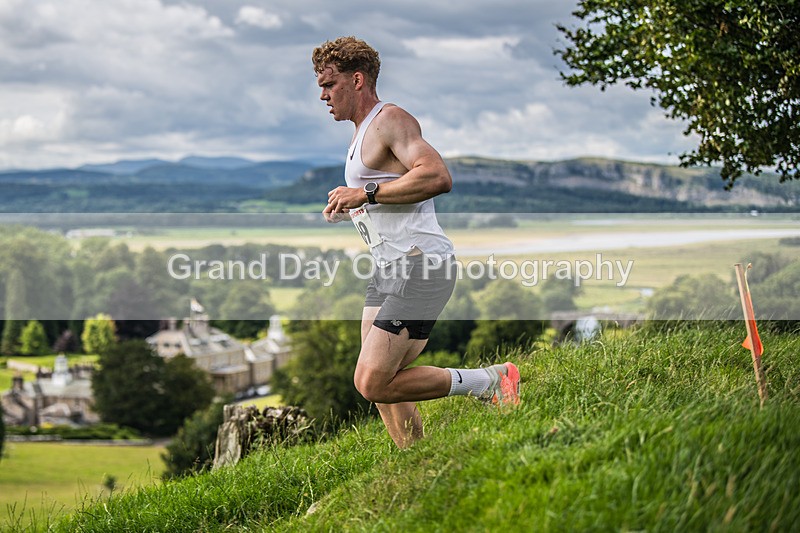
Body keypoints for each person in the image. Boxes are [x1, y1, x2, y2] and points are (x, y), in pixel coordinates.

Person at [313, 36, 520, 448]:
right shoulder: (360, 135)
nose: (322, 95)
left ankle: (491, 381)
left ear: (357, 80)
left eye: (328, 84)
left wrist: (365, 193)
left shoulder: (390, 119)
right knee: (382, 384)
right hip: (388, 268)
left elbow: (436, 176)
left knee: (371, 381)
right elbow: (389, 190)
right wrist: (353, 203)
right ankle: (415, 459)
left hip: (422, 265)